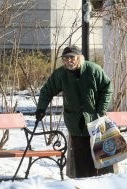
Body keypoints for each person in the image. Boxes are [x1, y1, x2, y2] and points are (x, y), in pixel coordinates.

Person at [35, 45, 114, 178]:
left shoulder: (93, 70)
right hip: (75, 121)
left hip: (95, 118)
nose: (68, 61)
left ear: (79, 58)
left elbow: (107, 88)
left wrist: (100, 110)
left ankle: (102, 182)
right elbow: (47, 91)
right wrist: (41, 108)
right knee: (80, 154)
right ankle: (83, 182)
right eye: (65, 58)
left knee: (100, 153)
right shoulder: (61, 74)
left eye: (72, 57)